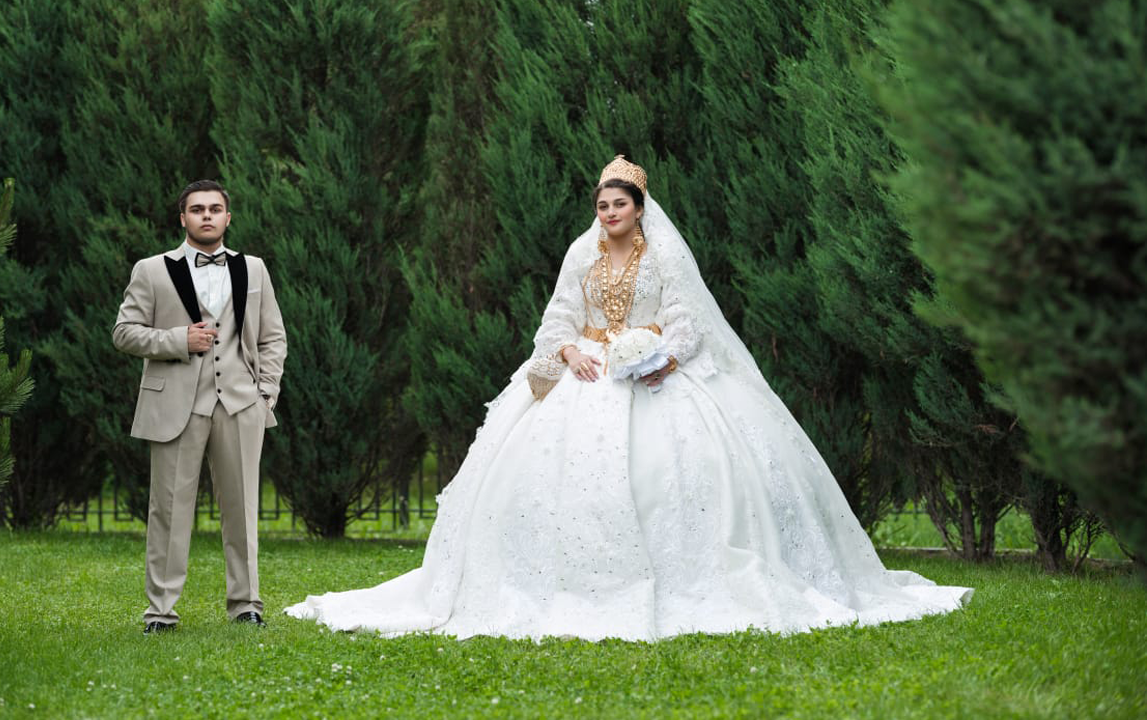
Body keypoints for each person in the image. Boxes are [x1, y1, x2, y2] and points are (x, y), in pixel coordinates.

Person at [286, 157, 971, 640]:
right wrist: (569, 353)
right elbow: (558, 317)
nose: (608, 213)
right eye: (601, 205)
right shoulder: (580, 256)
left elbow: (688, 322)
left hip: (655, 377)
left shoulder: (665, 257)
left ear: (639, 208)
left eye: (618, 204)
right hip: (586, 375)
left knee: (679, 475)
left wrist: (658, 357)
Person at [113, 180, 287, 634]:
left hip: (241, 405)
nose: (206, 215)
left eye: (214, 209)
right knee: (168, 511)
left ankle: (246, 605)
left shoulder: (254, 269)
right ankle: (161, 612)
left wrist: (266, 392)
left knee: (242, 509)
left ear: (227, 217)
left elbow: (272, 336)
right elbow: (124, 332)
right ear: (183, 218)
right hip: (176, 405)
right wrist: (179, 340)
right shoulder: (152, 270)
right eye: (197, 209)